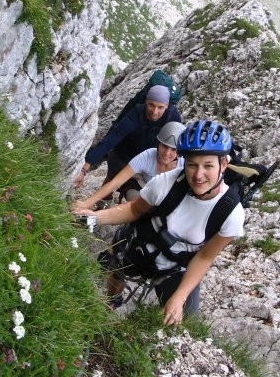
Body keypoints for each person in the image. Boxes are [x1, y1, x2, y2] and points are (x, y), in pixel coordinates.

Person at [72, 120, 245, 326]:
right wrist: (95, 216)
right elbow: (134, 209)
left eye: (208, 166)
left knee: (185, 324)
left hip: (176, 267)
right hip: (139, 245)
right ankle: (112, 301)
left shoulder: (231, 214)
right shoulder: (166, 183)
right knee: (114, 264)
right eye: (192, 165)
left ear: (223, 164)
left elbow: (205, 257)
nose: (198, 175)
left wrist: (179, 297)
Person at [74, 85, 181, 188]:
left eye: (160, 107)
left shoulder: (172, 116)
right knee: (111, 183)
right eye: (151, 105)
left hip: (152, 159)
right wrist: (84, 168)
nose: (154, 111)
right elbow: (111, 139)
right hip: (123, 156)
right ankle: (103, 202)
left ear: (167, 106)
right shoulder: (136, 113)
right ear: (146, 102)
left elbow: (176, 143)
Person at [72, 122, 186, 208]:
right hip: (142, 191)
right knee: (143, 207)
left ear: (180, 151)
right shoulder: (147, 156)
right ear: (158, 144)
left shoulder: (184, 165)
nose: (167, 153)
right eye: (165, 146)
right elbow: (115, 183)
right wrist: (87, 203)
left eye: (173, 149)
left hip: (168, 198)